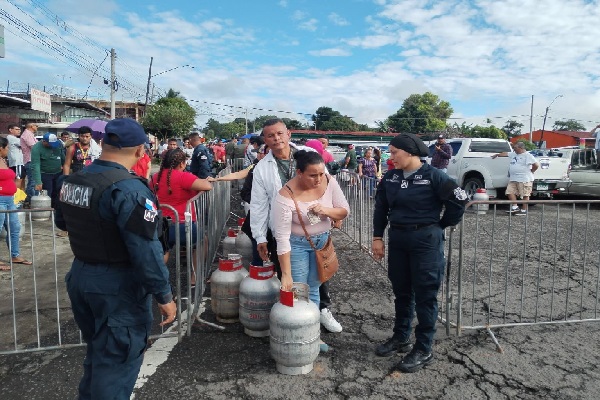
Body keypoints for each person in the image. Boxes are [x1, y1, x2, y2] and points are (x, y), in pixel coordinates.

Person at [57, 118, 176, 399]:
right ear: (139, 151)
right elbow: (145, 250)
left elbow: (63, 222)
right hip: (117, 286)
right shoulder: (130, 189)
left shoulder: (72, 179)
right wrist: (164, 295)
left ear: (103, 143)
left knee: (100, 353)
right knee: (117, 361)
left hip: (82, 276)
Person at [372, 133, 466, 373]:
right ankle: (401, 336)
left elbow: (459, 201)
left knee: (425, 294)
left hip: (425, 241)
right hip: (399, 239)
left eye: (394, 153)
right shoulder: (391, 177)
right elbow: (381, 207)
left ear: (411, 153)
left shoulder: (434, 176)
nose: (389, 157)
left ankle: (424, 348)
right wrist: (377, 237)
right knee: (402, 291)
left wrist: (440, 225)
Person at [250, 118, 344, 333]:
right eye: (271, 135)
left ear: (288, 134)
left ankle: (321, 311)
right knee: (293, 276)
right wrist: (260, 237)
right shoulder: (262, 169)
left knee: (320, 271)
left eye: (280, 134)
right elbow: (258, 205)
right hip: (286, 229)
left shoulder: (308, 154)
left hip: (315, 223)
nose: (276, 139)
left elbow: (326, 181)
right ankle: (296, 321)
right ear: (265, 139)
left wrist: (334, 211)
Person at [271, 150, 349, 350]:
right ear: (299, 173)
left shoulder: (329, 181)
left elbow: (343, 210)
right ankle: (297, 335)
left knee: (314, 287)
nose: (318, 179)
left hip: (322, 243)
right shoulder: (285, 196)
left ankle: (312, 335)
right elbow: (281, 238)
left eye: (321, 174)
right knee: (298, 290)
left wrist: (326, 211)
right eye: (312, 175)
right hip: (296, 244)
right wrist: (285, 273)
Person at [151, 148, 212, 286]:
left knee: (164, 250)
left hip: (160, 224)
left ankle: (156, 280)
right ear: (182, 164)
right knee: (203, 241)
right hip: (182, 224)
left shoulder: (156, 177)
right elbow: (207, 186)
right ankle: (194, 277)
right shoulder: (183, 176)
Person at [0, 137, 30, 271]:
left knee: (15, 227)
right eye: (7, 148)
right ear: (1, 148)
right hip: (1, 200)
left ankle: (15, 255)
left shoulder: (3, 160)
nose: (8, 150)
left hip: (9, 200)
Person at [491, 141, 539, 215]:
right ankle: (514, 207)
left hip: (524, 179)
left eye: (515, 148)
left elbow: (536, 165)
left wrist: (532, 171)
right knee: (509, 192)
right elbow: (506, 153)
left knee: (525, 194)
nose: (514, 149)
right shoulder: (514, 154)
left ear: (521, 148)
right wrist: (497, 155)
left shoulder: (527, 155)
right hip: (513, 178)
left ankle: (524, 210)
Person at [31, 133, 64, 209]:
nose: (53, 146)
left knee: (58, 192)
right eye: (50, 144)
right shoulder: (36, 148)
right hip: (45, 174)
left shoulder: (58, 144)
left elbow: (62, 156)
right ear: (44, 141)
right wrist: (38, 181)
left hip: (58, 172)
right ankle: (48, 210)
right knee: (48, 192)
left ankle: (56, 209)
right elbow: (36, 165)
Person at [20, 122, 38, 206]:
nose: (37, 127)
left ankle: (28, 200)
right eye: (36, 125)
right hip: (30, 161)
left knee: (34, 181)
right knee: (33, 182)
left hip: (32, 161)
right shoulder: (27, 134)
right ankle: (32, 201)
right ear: (31, 126)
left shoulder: (30, 134)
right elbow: (34, 147)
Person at [6, 124, 25, 189]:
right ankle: (16, 197)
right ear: (10, 130)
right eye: (17, 129)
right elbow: (25, 143)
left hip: (17, 162)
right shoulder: (11, 138)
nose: (19, 131)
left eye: (19, 129)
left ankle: (21, 196)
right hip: (17, 162)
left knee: (20, 179)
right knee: (18, 179)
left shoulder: (14, 138)